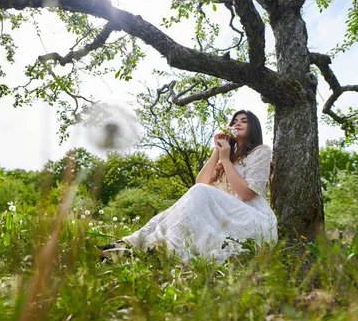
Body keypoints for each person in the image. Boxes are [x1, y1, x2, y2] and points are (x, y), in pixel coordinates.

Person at [98, 110, 278, 262]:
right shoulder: (227, 156)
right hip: (224, 214)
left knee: (195, 198)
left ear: (253, 127)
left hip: (251, 218)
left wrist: (224, 159)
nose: (237, 124)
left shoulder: (261, 152)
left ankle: (164, 249)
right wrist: (217, 152)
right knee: (172, 212)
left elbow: (246, 194)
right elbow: (200, 184)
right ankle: (127, 245)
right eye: (234, 121)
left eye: (244, 121)